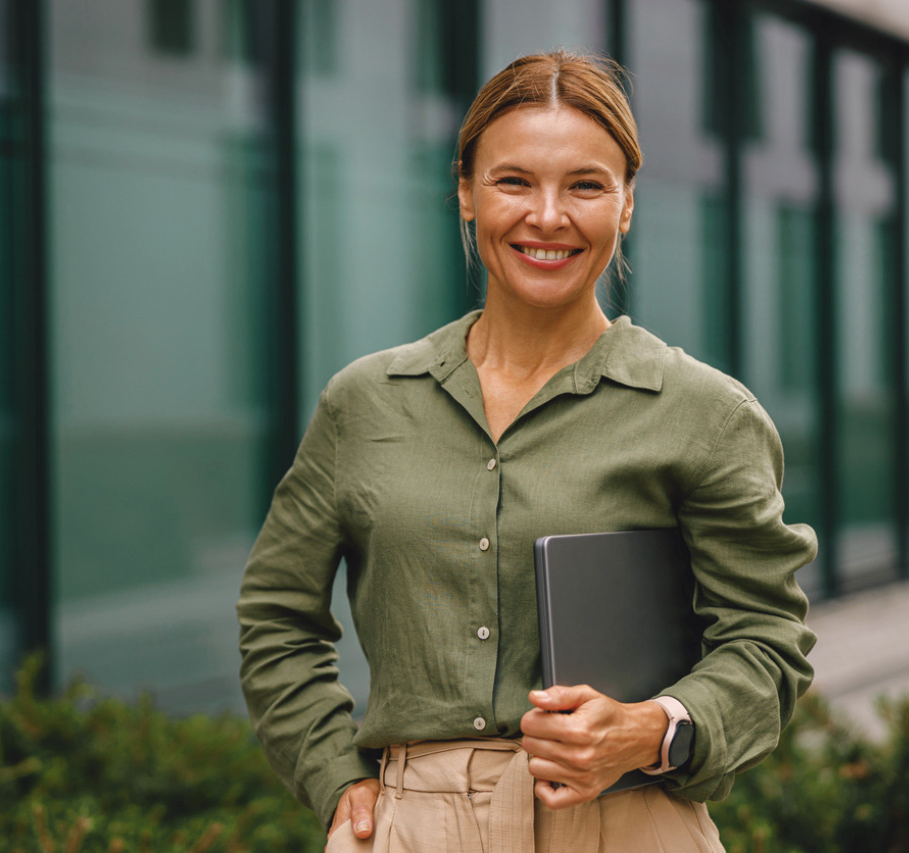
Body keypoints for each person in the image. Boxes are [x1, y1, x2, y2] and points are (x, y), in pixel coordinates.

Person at [237, 50, 817, 852]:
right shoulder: (365, 403)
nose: (548, 216)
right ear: (467, 194)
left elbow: (766, 644)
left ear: (627, 205)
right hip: (413, 827)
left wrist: (654, 728)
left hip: (629, 822)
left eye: (585, 185)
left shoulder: (704, 414)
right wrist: (335, 774)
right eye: (514, 182)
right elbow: (275, 617)